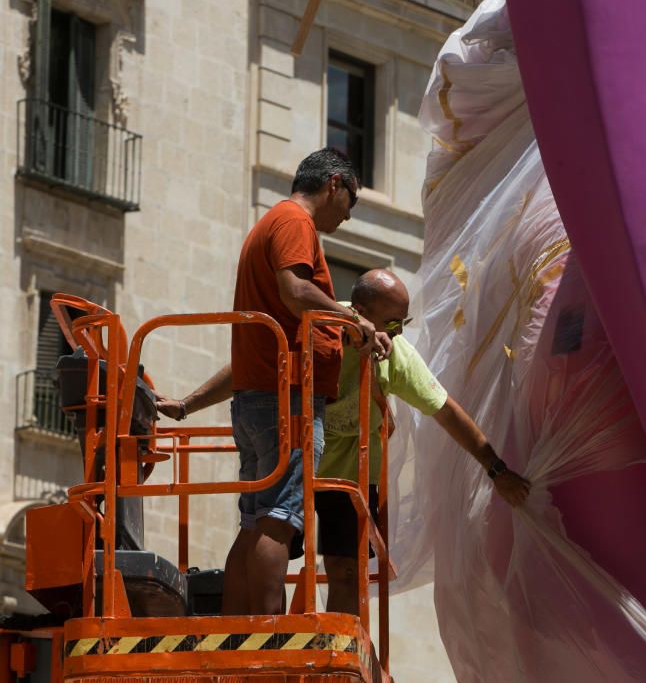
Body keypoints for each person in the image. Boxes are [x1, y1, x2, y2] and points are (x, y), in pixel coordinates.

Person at [158, 269, 531, 615]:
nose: (398, 333)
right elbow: (249, 369)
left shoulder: (393, 355)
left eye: (405, 323)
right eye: (392, 323)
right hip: (298, 462)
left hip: (350, 476)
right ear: (361, 313)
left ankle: (338, 642)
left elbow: (446, 410)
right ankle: (252, 635)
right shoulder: (315, 329)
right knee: (265, 537)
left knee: (347, 569)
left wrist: (495, 468)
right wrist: (187, 405)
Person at [200, 147, 387, 617]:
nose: (348, 217)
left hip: (262, 398)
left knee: (254, 522)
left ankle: (240, 632)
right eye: (351, 203)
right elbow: (295, 290)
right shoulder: (294, 223)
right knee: (280, 520)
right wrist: (353, 324)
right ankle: (268, 631)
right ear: (335, 185)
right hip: (287, 400)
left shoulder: (274, 223)